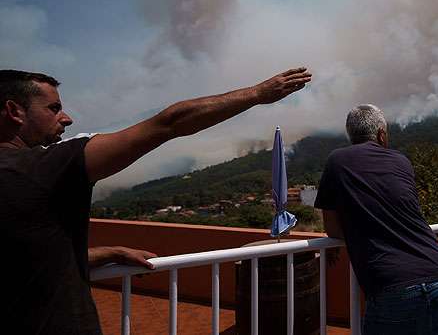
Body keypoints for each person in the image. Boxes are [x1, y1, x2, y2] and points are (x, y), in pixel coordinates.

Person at [0, 67, 311, 334]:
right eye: (54, 108)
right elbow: (170, 123)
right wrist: (258, 93)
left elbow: (27, 254)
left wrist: (106, 252)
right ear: (14, 111)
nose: (66, 118)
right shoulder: (47, 167)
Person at [315, 104, 438, 335]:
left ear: (351, 135)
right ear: (382, 135)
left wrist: (359, 231)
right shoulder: (401, 160)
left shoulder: (337, 160)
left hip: (393, 285)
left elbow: (332, 228)